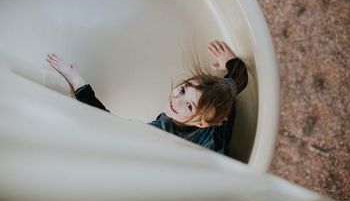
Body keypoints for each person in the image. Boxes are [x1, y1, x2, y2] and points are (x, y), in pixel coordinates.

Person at [46, 40, 248, 156]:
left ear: (203, 123)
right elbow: (240, 76)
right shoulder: (221, 97)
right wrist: (230, 62)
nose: (176, 99)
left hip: (212, 154)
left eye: (188, 106)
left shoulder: (161, 133)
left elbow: (107, 122)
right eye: (184, 89)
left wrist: (77, 82)